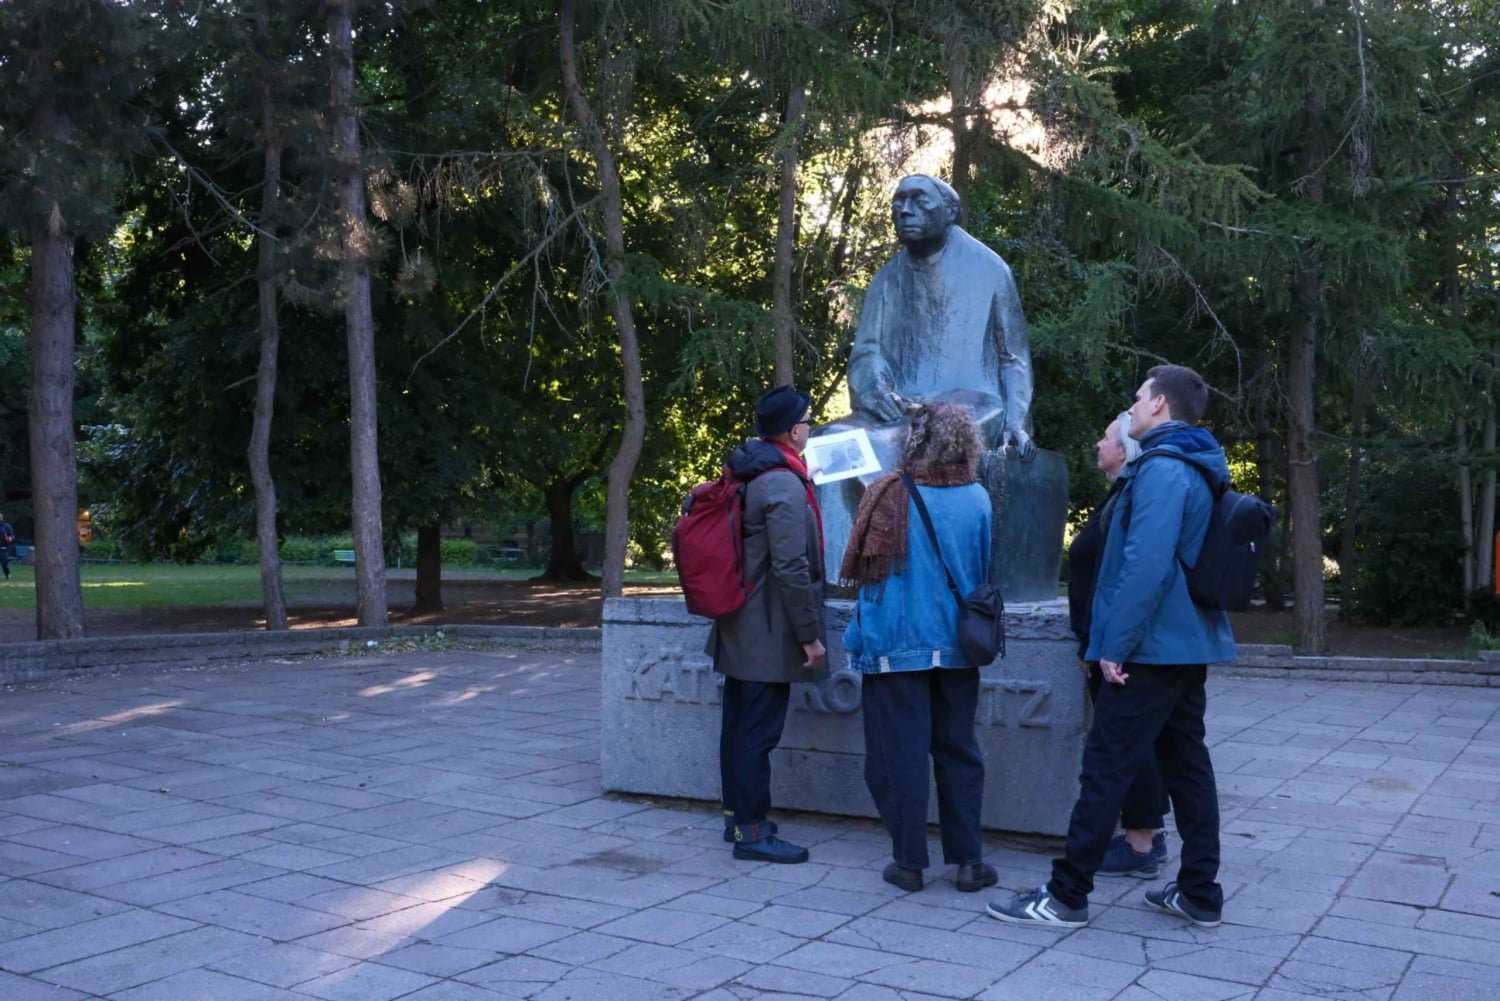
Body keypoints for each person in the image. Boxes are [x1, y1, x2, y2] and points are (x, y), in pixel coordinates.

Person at [988, 364, 1235, 929]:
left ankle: (1066, 895)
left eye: (1139, 398)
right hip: (1180, 644)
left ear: (1160, 405)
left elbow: (1143, 565)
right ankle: (1199, 891)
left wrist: (1114, 646)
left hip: (1149, 649)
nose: (1132, 406)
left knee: (1105, 768)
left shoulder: (1164, 469)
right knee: (1187, 766)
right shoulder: (1189, 464)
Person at [841, 403, 999, 894]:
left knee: (897, 757)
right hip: (958, 646)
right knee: (959, 752)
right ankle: (969, 862)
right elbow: (982, 572)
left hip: (896, 648)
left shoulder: (887, 493)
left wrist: (856, 639)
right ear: (967, 442)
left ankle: (909, 863)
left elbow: (870, 584)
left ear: (914, 440)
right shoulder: (978, 498)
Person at [710, 385, 829, 864]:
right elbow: (791, 567)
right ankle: (753, 833)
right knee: (756, 736)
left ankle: (737, 820)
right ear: (794, 431)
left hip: (741, 625)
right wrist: (810, 636)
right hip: (767, 632)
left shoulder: (755, 473)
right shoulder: (781, 483)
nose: (810, 428)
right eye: (808, 422)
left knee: (738, 728)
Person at [845, 174, 1035, 461]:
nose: (905, 210)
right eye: (899, 202)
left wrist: (1015, 423)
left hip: (973, 405)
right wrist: (877, 392)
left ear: (950, 212)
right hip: (900, 408)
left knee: (928, 438)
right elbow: (868, 352)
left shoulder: (991, 269)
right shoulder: (886, 279)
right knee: (832, 441)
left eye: (919, 201)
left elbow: (1013, 358)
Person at [1068, 413, 1170, 878]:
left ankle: (1140, 844)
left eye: (1106, 437)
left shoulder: (1127, 502)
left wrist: (1099, 643)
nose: (1098, 442)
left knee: (1126, 744)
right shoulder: (1117, 497)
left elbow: (1119, 579)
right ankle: (1148, 833)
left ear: (1124, 449)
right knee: (1136, 741)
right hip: (1107, 641)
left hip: (1113, 647)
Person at [0, 512, 13, 581]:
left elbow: (11, 535)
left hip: (3, 547)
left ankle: (7, 574)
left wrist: (9, 538)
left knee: (4, 563)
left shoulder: (6, 526)